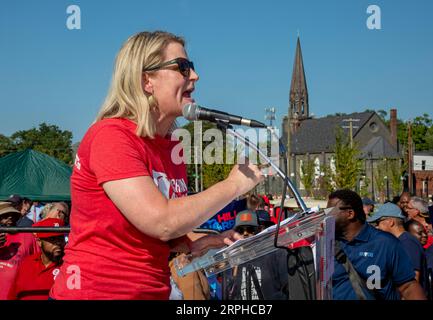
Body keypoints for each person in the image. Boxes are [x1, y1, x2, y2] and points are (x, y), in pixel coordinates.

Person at [50, 31, 263, 300]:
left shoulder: (172, 145)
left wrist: (197, 243)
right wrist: (233, 185)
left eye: (192, 68)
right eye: (183, 68)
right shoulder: (112, 136)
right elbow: (161, 221)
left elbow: (160, 236)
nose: (195, 77)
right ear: (146, 80)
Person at [327, 189, 426, 300]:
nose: (326, 216)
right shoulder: (326, 244)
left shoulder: (385, 243)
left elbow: (408, 287)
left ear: (350, 213)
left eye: (330, 212)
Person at [367, 203, 429, 296]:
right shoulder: (400, 241)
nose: (377, 227)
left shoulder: (408, 243)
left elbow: (413, 279)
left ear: (390, 222)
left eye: (378, 222)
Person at [226, 210, 288, 300]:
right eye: (240, 230)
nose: (245, 233)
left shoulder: (277, 252)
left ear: (259, 229)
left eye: (250, 229)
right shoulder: (234, 257)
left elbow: (288, 288)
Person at [8, 218, 66, 300]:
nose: (58, 243)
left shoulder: (69, 265)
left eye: (60, 238)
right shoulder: (27, 263)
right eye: (52, 239)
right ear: (39, 241)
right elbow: (12, 295)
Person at [0, 202, 40, 300]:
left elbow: (38, 261)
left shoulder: (28, 236)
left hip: (18, 293)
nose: (9, 218)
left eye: (12, 215)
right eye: (5, 216)